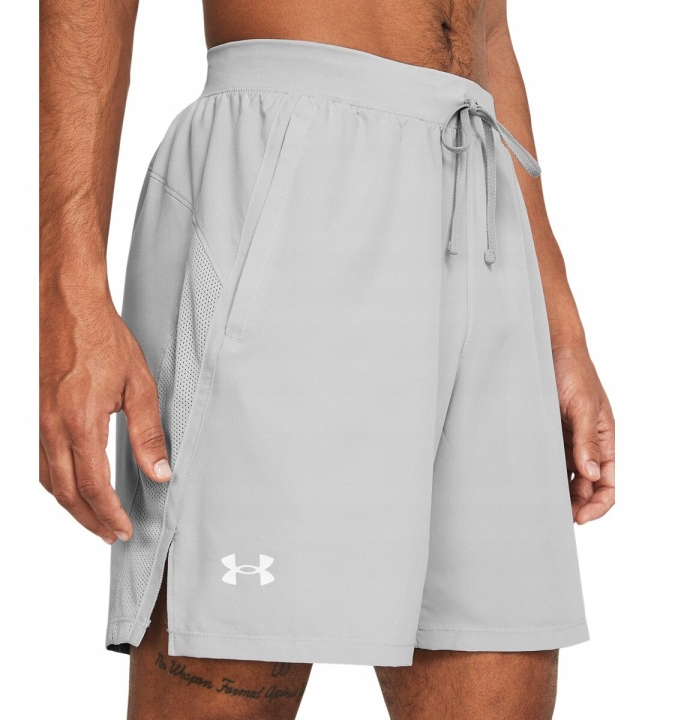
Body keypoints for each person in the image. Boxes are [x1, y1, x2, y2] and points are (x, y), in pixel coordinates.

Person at [39, 0, 615, 717]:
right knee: (231, 650)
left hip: (482, 189)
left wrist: (560, 326)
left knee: (501, 661)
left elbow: (486, 24)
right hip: (297, 158)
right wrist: (69, 294)